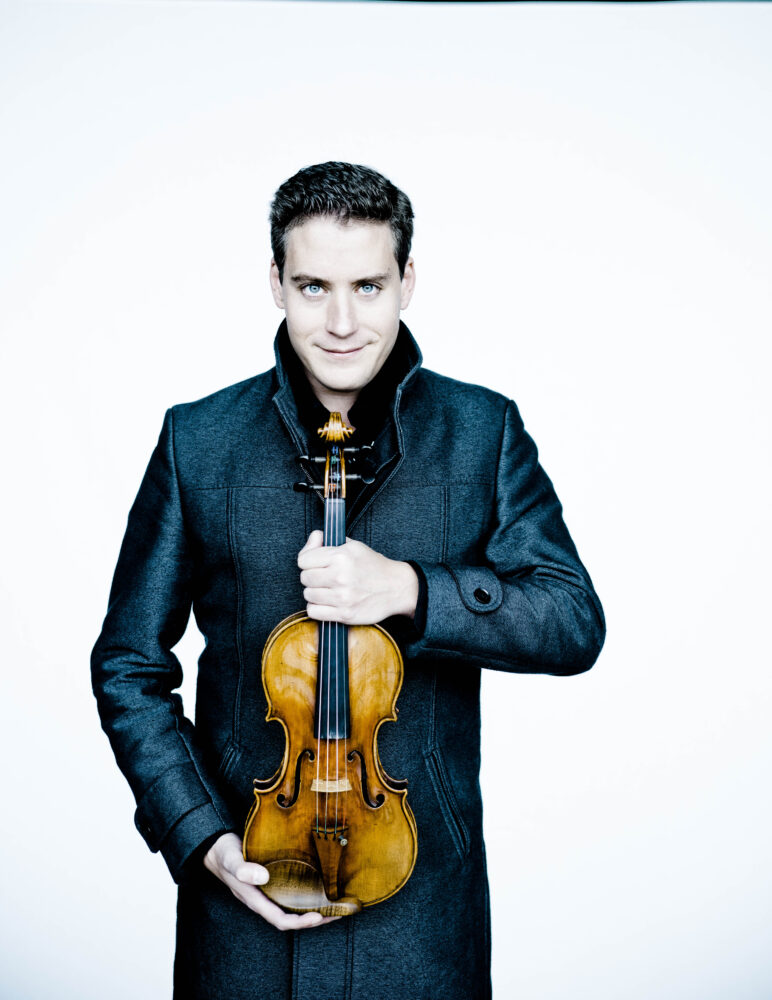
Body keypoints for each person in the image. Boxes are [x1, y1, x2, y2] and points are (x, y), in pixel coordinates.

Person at [91, 161, 605, 1000]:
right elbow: (127, 665)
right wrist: (200, 835)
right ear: (275, 282)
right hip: (244, 898)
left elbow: (572, 620)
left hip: (420, 909)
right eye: (313, 287)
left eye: (368, 286)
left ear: (408, 281)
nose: (340, 322)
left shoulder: (483, 432)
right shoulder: (199, 441)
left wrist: (412, 590)